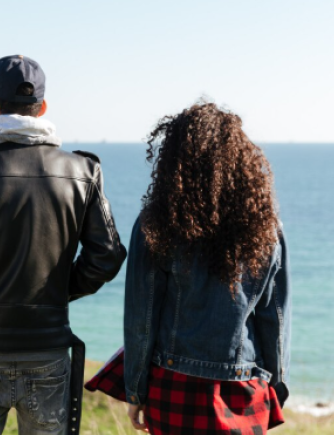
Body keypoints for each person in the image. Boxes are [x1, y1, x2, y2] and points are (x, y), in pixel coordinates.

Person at [0, 55, 128, 435]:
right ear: (43, 108)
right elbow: (108, 255)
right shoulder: (83, 172)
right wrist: (59, 291)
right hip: (48, 348)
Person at [121, 102, 290, 434]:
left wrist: (135, 390)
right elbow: (275, 318)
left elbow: (142, 318)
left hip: (173, 383)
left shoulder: (155, 225)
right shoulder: (267, 228)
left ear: (174, 161)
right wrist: (277, 387)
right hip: (243, 388)